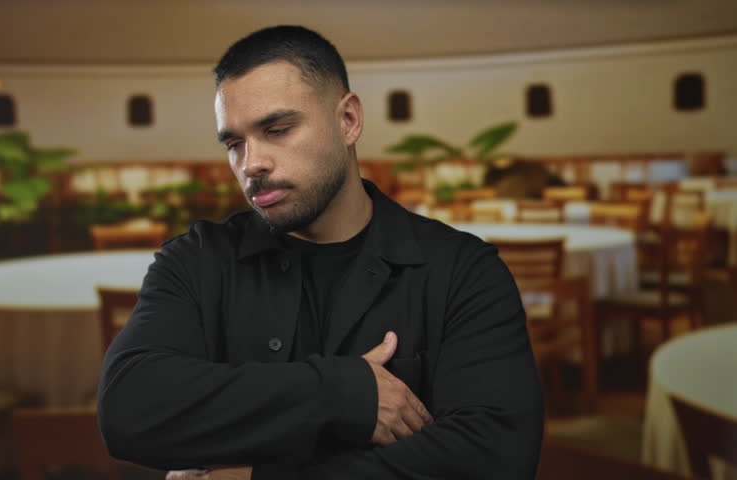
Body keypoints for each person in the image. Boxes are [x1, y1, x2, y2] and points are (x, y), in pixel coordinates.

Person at [98, 25, 543, 479]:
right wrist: (345, 392)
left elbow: (494, 457)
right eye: (234, 143)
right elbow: (129, 408)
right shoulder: (195, 260)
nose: (251, 163)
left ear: (348, 120)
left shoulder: (462, 269)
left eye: (277, 129)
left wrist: (254, 476)